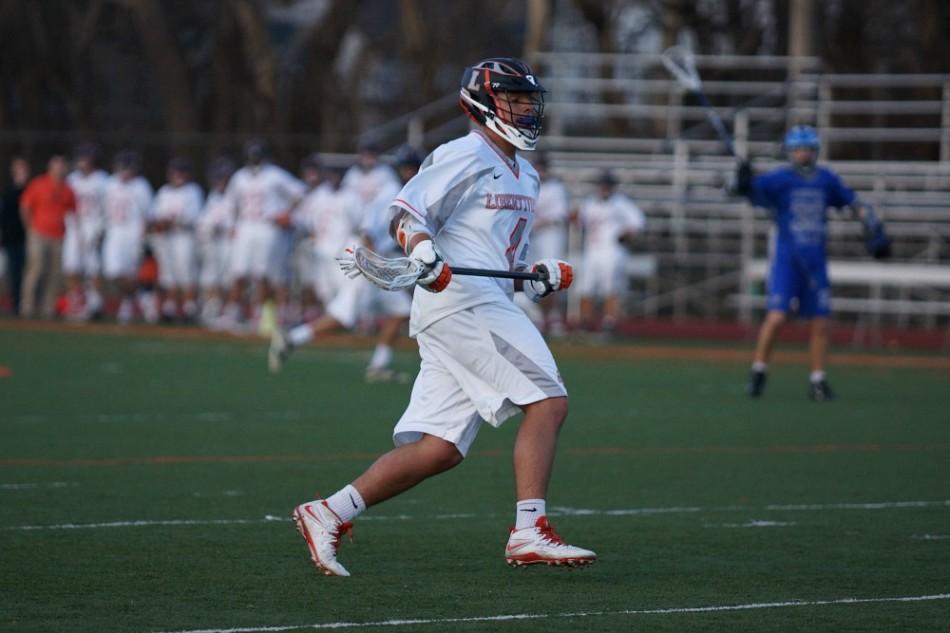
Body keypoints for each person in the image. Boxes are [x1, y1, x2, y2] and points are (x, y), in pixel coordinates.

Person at [291, 57, 595, 576]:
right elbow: (404, 214)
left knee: (440, 449)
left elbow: (497, 257)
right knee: (547, 401)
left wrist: (536, 273)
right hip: (462, 304)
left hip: (478, 301)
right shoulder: (465, 153)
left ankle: (328, 511)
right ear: (483, 104)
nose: (525, 110)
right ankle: (528, 530)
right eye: (514, 101)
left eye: (528, 102)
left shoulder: (528, 174)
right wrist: (424, 250)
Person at [735, 125, 887, 401]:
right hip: (787, 259)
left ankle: (818, 380)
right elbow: (746, 192)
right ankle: (758, 371)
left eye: (807, 149)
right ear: (790, 152)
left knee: (820, 322)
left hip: (815, 261)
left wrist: (872, 225)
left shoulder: (826, 179)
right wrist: (743, 180)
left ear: (815, 151)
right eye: (798, 149)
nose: (803, 154)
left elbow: (855, 204)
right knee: (777, 317)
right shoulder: (780, 179)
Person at [269, 147, 420, 382]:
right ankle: (292, 338)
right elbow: (366, 228)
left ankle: (378, 366)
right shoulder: (392, 190)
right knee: (345, 317)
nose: (412, 173)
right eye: (411, 169)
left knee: (401, 311)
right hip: (367, 259)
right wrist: (373, 264)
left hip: (372, 256)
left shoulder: (399, 189)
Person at [218, 139, 305, 331]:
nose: (254, 161)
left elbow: (299, 192)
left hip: (267, 227)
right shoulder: (239, 177)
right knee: (239, 271)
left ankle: (261, 313)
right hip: (246, 226)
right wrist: (232, 225)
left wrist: (287, 213)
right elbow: (230, 203)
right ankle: (233, 312)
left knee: (262, 273)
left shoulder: (274, 175)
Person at [575, 169, 646, 334]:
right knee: (585, 286)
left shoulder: (621, 203)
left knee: (611, 286)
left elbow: (638, 223)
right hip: (592, 249)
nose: (604, 188)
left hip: (612, 250)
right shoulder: (590, 203)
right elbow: (580, 220)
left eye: (607, 185)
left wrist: (626, 234)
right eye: (602, 185)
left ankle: (609, 322)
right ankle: (585, 322)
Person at [19, 154, 77, 319]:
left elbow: (73, 211)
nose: (59, 170)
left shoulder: (67, 189)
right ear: (50, 168)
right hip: (38, 233)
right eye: (56, 166)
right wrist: (30, 228)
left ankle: (48, 308)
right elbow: (25, 206)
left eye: (61, 167)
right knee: (36, 269)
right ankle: (27, 307)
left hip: (58, 236)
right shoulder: (38, 184)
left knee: (54, 273)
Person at [150, 157, 204, 322]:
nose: (178, 175)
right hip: (167, 238)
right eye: (175, 172)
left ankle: (189, 308)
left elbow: (192, 217)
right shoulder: (164, 191)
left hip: (184, 236)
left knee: (186, 272)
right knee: (169, 274)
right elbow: (154, 214)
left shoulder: (193, 191)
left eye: (181, 172)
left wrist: (171, 221)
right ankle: (170, 307)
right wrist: (161, 222)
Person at [101, 150, 153, 324]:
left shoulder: (141, 186)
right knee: (113, 272)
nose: (124, 172)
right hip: (114, 232)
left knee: (130, 273)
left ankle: (127, 304)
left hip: (132, 233)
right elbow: (103, 210)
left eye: (128, 168)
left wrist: (143, 236)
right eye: (122, 168)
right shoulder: (109, 184)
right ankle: (141, 297)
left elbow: (147, 214)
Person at [63, 143, 109, 320]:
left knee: (93, 267)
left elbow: (107, 208)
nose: (83, 162)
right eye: (81, 159)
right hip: (74, 226)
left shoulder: (103, 180)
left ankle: (95, 303)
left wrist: (101, 230)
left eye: (86, 158)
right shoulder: (72, 179)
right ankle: (76, 301)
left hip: (94, 226)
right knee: (71, 265)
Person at [526, 152, 570, 336]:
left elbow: (559, 216)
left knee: (551, 276)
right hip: (530, 237)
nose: (539, 171)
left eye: (542, 168)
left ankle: (553, 317)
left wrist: (539, 223)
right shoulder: (527, 185)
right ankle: (537, 317)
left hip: (549, 236)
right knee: (530, 277)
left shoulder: (555, 189)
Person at [196, 156, 236, 325]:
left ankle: (228, 311)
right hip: (213, 244)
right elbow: (204, 221)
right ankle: (211, 309)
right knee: (209, 278)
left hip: (229, 242)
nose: (220, 181)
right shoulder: (213, 196)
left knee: (229, 279)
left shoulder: (235, 196)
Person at [0, 157, 31, 315]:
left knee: (28, 273)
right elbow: (4, 217)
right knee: (13, 273)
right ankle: (15, 303)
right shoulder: (8, 192)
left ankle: (26, 304)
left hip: (28, 238)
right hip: (12, 239)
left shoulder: (31, 190)